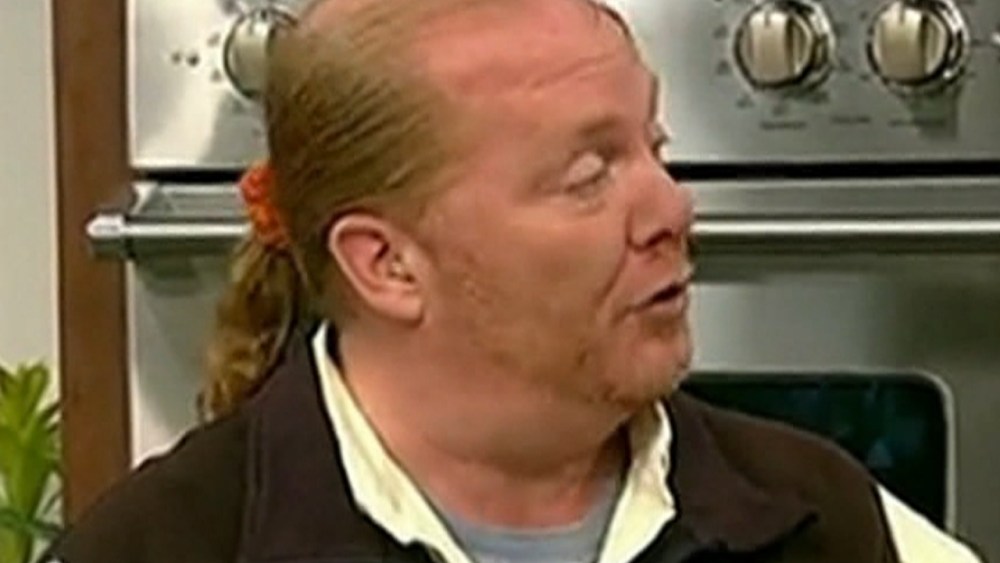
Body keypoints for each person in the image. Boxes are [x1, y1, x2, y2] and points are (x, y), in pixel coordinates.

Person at [49, 0, 983, 562]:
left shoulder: (811, 515)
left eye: (654, 146)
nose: (671, 208)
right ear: (387, 264)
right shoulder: (164, 547)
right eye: (588, 175)